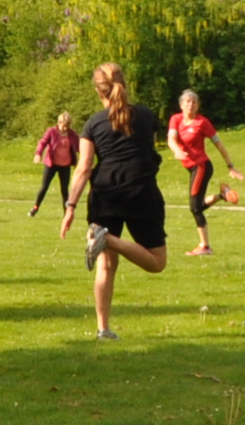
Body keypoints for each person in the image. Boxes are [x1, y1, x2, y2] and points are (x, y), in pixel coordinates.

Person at [62, 61, 169, 340]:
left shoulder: (93, 124)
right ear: (125, 85)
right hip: (140, 190)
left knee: (106, 265)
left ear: (99, 91)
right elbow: (148, 150)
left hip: (105, 191)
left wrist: (70, 207)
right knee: (157, 262)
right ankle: (107, 240)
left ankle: (103, 329)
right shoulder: (146, 116)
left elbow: (84, 167)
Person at [167, 90, 236, 258]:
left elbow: (218, 144)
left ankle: (205, 246)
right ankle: (222, 195)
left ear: (198, 106)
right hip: (191, 167)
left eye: (194, 102)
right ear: (181, 105)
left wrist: (230, 165)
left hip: (201, 166)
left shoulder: (202, 122)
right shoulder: (175, 119)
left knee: (194, 207)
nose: (191, 105)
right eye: (188, 102)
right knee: (196, 205)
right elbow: (171, 139)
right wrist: (177, 151)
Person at [30, 111, 78, 218]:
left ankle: (66, 213)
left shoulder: (72, 135)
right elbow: (42, 142)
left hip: (65, 165)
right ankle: (35, 208)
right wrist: (38, 154)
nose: (65, 128)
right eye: (64, 126)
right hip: (51, 164)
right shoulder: (51, 132)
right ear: (59, 123)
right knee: (44, 187)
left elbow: (80, 146)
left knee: (65, 190)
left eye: (67, 126)